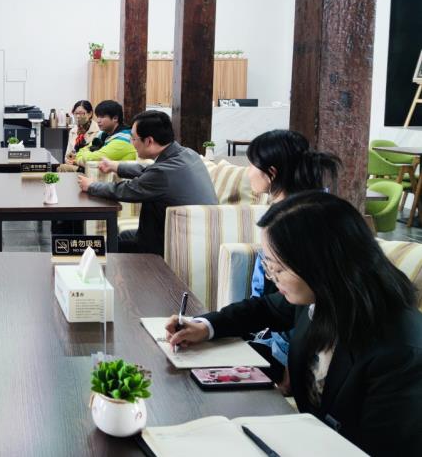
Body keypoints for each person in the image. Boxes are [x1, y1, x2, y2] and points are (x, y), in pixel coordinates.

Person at [165, 192, 422, 456]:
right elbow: (265, 308)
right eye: (268, 265)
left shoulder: (401, 353)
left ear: (322, 265)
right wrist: (205, 326)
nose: (272, 277)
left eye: (278, 268)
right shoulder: (324, 295)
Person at [244, 130, 341, 383]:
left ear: (272, 173)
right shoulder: (308, 205)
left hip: (287, 349)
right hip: (271, 332)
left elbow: (302, 301)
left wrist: (290, 364)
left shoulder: (295, 221)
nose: (247, 172)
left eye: (251, 164)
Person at [77, 110, 217, 255]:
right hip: (192, 237)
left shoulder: (163, 173)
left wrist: (91, 186)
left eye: (133, 138)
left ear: (149, 141)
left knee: (104, 248)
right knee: (118, 239)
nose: (131, 143)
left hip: (174, 245)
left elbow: (125, 189)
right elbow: (149, 170)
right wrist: (116, 166)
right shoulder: (187, 154)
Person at [74, 100, 136, 165]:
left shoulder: (123, 139)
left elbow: (92, 159)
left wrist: (82, 157)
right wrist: (82, 156)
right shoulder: (102, 134)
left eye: (102, 117)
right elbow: (81, 152)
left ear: (115, 118)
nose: (98, 121)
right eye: (97, 117)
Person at [59, 100, 100, 172]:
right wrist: (69, 160)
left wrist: (76, 161)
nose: (78, 116)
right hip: (75, 164)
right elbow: (69, 155)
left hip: (90, 166)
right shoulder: (73, 131)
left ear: (90, 114)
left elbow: (95, 156)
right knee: (62, 167)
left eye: (81, 113)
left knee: (62, 168)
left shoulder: (98, 130)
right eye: (76, 113)